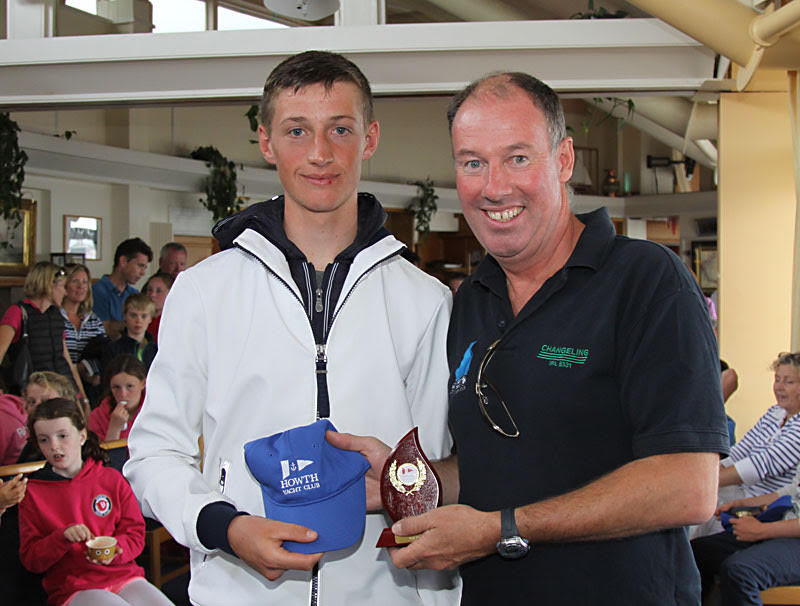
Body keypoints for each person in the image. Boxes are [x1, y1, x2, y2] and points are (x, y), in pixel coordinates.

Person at [331, 72, 728, 605]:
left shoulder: (645, 280)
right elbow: (490, 468)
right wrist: (407, 479)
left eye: (517, 158)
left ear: (563, 159)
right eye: (473, 163)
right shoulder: (471, 301)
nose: (494, 187)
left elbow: (688, 486)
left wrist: (502, 529)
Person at [124, 50, 457, 606]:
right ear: (266, 141)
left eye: (340, 129)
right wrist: (226, 527)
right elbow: (154, 452)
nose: (320, 153)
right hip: (239, 592)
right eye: (297, 130)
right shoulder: (204, 291)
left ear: (370, 138)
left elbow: (430, 476)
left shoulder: (423, 300)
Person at [18, 397, 173, 606]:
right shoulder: (32, 492)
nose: (54, 446)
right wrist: (61, 538)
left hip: (124, 575)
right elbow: (31, 560)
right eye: (44, 440)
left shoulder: (111, 479)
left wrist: (116, 550)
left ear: (82, 436)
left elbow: (135, 534)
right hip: (73, 587)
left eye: (62, 436)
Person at [693, 352, 800, 540]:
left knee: (701, 494)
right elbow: (740, 450)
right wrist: (711, 470)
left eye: (788, 382)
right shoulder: (775, 413)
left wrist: (703, 480)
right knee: (698, 496)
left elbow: (761, 465)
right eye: (777, 380)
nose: (779, 387)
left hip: (764, 503)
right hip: (742, 491)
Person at [692, 463, 800, 604]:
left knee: (740, 571)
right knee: (699, 551)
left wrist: (762, 530)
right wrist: (745, 504)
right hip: (786, 525)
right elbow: (793, 490)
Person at [0, 262, 85, 399]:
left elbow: (66, 360)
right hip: (31, 395)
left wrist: (82, 397)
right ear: (48, 285)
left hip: (61, 392)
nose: (65, 293)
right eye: (62, 286)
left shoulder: (56, 315)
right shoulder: (18, 312)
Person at [60, 263, 107, 400]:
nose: (81, 286)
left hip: (89, 385)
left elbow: (104, 352)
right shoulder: (55, 317)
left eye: (85, 282)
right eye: (75, 281)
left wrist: (86, 367)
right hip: (60, 384)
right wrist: (76, 368)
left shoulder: (93, 319)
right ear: (64, 285)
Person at [91, 237, 152, 339]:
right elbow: (104, 329)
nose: (143, 273)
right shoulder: (97, 290)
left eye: (144, 268)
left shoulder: (134, 294)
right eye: (140, 266)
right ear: (123, 261)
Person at [89, 355, 146, 442]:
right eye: (116, 387)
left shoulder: (156, 411)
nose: (123, 394)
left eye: (130, 386)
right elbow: (96, 450)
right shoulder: (98, 417)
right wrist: (114, 429)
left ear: (143, 384)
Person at [99, 294, 157, 374]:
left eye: (144, 316)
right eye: (133, 315)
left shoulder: (156, 350)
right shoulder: (113, 349)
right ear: (124, 316)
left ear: (150, 318)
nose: (138, 321)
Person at [142, 272, 173, 342]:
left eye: (159, 291)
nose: (152, 295)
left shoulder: (173, 321)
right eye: (150, 290)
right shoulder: (139, 319)